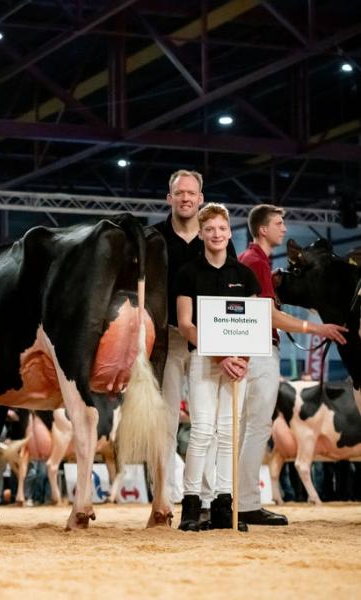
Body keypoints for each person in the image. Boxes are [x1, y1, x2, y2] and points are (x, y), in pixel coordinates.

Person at [236, 204, 347, 526]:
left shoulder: (256, 261)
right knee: (255, 429)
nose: (284, 229)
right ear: (262, 230)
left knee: (250, 429)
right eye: (278, 223)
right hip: (259, 350)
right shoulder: (255, 261)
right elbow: (268, 315)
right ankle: (246, 504)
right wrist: (316, 328)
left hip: (255, 350)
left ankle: (243, 500)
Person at [175, 203, 259, 532]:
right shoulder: (188, 274)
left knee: (228, 434)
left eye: (222, 229)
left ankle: (225, 506)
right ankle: (192, 505)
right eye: (209, 229)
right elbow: (185, 324)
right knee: (201, 432)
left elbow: (255, 324)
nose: (216, 234)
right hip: (203, 362)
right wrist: (221, 355)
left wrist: (242, 358)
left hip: (239, 365)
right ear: (200, 233)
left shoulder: (244, 275)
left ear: (229, 231)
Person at [155, 170, 235, 517]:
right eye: (179, 192)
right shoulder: (153, 238)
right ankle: (162, 499)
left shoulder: (217, 240)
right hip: (169, 339)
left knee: (209, 423)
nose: (186, 197)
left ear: (201, 198)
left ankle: (205, 498)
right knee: (167, 423)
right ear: (169, 197)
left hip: (209, 343)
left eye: (191, 192)